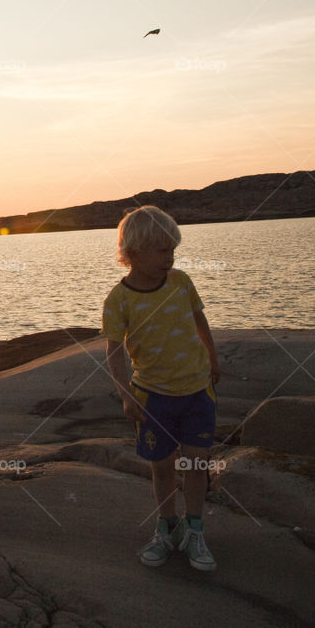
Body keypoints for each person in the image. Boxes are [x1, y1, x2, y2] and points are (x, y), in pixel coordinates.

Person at [102, 206, 220, 571]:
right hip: (152, 397)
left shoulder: (182, 282)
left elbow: (199, 317)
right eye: (162, 251)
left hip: (197, 391)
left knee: (196, 463)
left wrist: (213, 358)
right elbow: (114, 350)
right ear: (133, 253)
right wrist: (125, 395)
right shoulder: (118, 300)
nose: (170, 258)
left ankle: (195, 529)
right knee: (163, 466)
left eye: (172, 250)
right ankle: (166, 526)